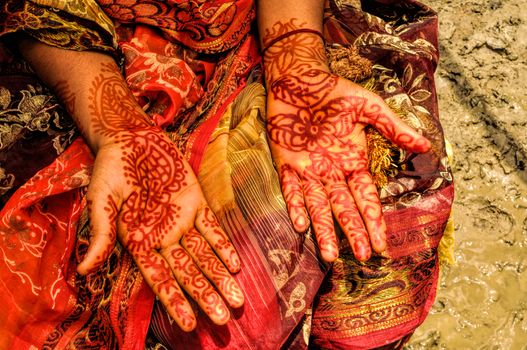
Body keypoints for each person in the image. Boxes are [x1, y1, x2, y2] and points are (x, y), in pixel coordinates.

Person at [0, 0, 454, 348]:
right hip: (79, 54)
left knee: (387, 208)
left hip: (275, 23)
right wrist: (119, 125)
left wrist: (294, 58)